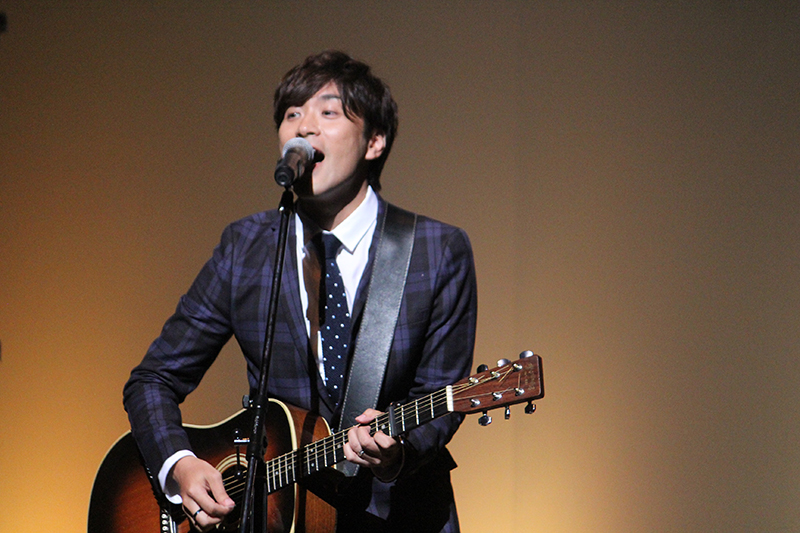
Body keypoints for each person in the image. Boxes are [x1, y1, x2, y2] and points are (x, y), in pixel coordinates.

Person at [123, 50, 477, 533]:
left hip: (400, 516)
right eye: (292, 115)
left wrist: (398, 453)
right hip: (278, 518)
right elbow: (153, 379)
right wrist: (179, 465)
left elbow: (439, 395)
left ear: (374, 141)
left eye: (328, 113)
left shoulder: (436, 250)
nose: (304, 128)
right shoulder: (247, 247)